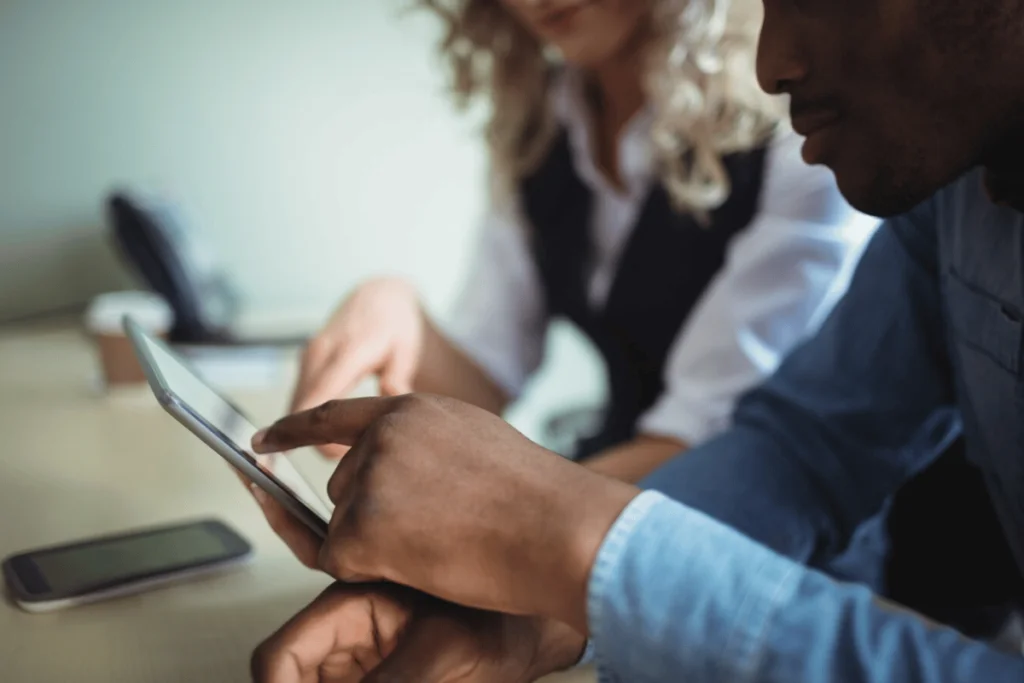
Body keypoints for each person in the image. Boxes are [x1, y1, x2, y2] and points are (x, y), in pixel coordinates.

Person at [240, 0, 1024, 679]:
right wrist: (535, 615)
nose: (770, 63)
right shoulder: (947, 199)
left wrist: (552, 550)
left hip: (857, 580)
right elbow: (801, 446)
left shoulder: (832, 146)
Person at [293, 0, 874, 488]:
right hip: (612, 493)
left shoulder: (796, 138)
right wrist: (398, 308)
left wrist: (499, 521)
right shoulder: (544, 123)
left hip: (768, 532)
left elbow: (701, 439)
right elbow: (484, 383)